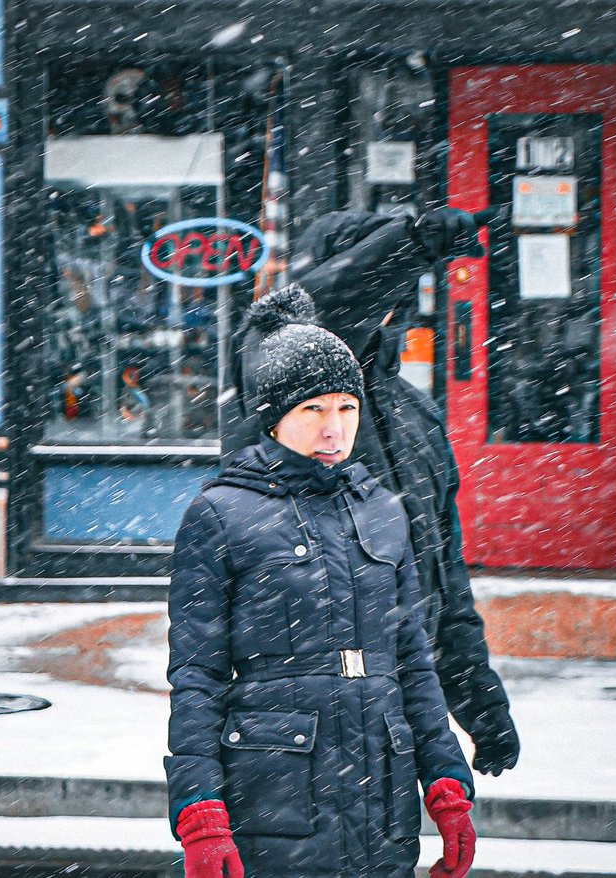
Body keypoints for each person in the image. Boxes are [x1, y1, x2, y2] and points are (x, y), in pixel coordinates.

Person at [167, 285, 477, 878]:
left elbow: (413, 663)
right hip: (276, 800)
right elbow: (196, 676)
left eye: (346, 409)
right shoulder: (222, 515)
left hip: (383, 803)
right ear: (276, 417)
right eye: (313, 410)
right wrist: (200, 815)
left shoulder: (384, 510)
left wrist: (447, 783)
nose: (334, 429)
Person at [221, 209, 520, 777]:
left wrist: (480, 700)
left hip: (397, 712)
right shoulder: (278, 391)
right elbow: (326, 309)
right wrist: (405, 245)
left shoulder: (416, 414)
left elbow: (442, 577)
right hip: (294, 719)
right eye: (383, 280)